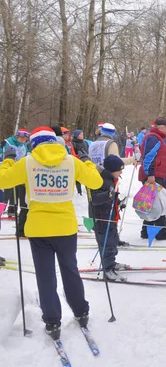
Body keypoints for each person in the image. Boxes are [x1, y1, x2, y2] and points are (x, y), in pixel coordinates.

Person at [0, 126, 103, 339]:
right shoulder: (70, 161)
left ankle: (52, 321)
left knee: (45, 275)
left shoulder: (27, 162)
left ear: (34, 144)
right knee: (70, 270)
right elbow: (97, 182)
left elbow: (3, 180)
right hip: (65, 228)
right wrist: (87, 162)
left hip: (39, 229)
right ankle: (81, 311)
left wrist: (8, 160)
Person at [91, 155, 129, 282]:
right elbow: (94, 199)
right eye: (120, 170)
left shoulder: (111, 179)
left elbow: (112, 196)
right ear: (112, 169)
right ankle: (108, 270)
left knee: (113, 242)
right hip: (102, 219)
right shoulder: (100, 180)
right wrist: (108, 195)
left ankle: (112, 263)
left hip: (111, 217)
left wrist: (118, 201)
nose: (121, 172)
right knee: (107, 244)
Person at [139, 117, 166, 240]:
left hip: (158, 174)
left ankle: (145, 231)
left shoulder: (158, 138)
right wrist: (150, 174)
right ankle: (161, 233)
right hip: (154, 176)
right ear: (160, 127)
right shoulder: (153, 137)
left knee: (150, 203)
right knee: (158, 204)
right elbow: (149, 157)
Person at [2, 129, 31, 235]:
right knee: (9, 192)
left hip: (20, 172)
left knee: (20, 195)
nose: (23, 140)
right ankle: (8, 208)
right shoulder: (8, 142)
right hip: (8, 170)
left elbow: (26, 155)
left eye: (25, 139)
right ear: (17, 137)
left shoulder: (24, 145)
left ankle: (14, 210)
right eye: (22, 138)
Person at [72, 130, 89, 196]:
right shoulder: (73, 143)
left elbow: (87, 150)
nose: (82, 135)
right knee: (78, 177)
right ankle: (79, 192)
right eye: (80, 134)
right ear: (77, 135)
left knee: (86, 175)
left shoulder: (85, 142)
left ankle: (88, 189)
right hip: (77, 160)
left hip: (85, 160)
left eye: (82, 134)